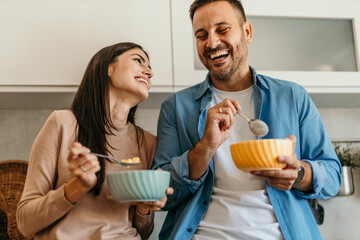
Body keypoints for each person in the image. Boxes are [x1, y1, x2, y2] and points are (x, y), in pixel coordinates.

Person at [152, 1, 341, 239]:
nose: (211, 43)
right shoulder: (175, 107)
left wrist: (300, 173)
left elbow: (333, 176)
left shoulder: (292, 96)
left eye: (222, 30)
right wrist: (205, 147)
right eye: (201, 35)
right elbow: (160, 194)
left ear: (247, 32)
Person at [17, 42, 173, 240]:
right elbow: (24, 222)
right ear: (108, 67)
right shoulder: (62, 124)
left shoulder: (149, 143)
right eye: (138, 60)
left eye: (150, 68)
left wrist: (144, 210)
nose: (149, 72)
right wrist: (76, 187)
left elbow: (142, 231)